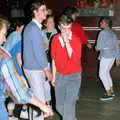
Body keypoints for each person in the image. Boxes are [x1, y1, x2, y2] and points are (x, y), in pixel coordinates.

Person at [0, 18, 53, 120]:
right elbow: (19, 91)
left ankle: (14, 114)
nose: (4, 39)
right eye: (3, 34)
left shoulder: (11, 39)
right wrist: (42, 106)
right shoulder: (5, 54)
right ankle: (23, 112)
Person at [23, 1, 52, 120]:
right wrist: (47, 71)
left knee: (36, 100)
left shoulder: (32, 26)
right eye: (43, 10)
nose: (46, 12)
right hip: (34, 69)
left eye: (46, 9)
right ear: (35, 12)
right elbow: (39, 54)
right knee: (40, 102)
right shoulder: (34, 28)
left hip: (32, 68)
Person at [51, 14, 82, 120]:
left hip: (74, 77)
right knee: (59, 106)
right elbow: (54, 59)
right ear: (59, 27)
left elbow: (74, 59)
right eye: (63, 28)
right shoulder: (54, 39)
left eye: (68, 28)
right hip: (60, 76)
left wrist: (66, 42)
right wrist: (54, 76)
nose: (66, 31)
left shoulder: (76, 40)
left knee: (68, 106)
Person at [4, 20, 28, 120]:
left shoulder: (10, 36)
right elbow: (19, 57)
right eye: (23, 28)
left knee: (12, 94)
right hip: (17, 70)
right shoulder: (19, 37)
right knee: (25, 90)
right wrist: (23, 71)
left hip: (8, 69)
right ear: (18, 27)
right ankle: (24, 111)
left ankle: (10, 115)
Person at [95, 17, 120, 101]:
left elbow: (98, 47)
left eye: (101, 22)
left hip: (106, 56)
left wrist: (96, 48)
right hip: (112, 56)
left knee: (102, 74)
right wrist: (118, 58)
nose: (100, 24)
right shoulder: (112, 33)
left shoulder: (102, 33)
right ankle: (111, 91)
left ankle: (109, 93)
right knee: (106, 73)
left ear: (106, 24)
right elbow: (117, 46)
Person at [42, 15, 57, 105]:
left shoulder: (57, 33)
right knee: (45, 83)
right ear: (45, 24)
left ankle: (57, 102)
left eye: (53, 22)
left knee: (55, 82)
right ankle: (48, 103)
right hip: (44, 62)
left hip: (55, 62)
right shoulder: (41, 33)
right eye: (50, 22)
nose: (52, 24)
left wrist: (47, 46)